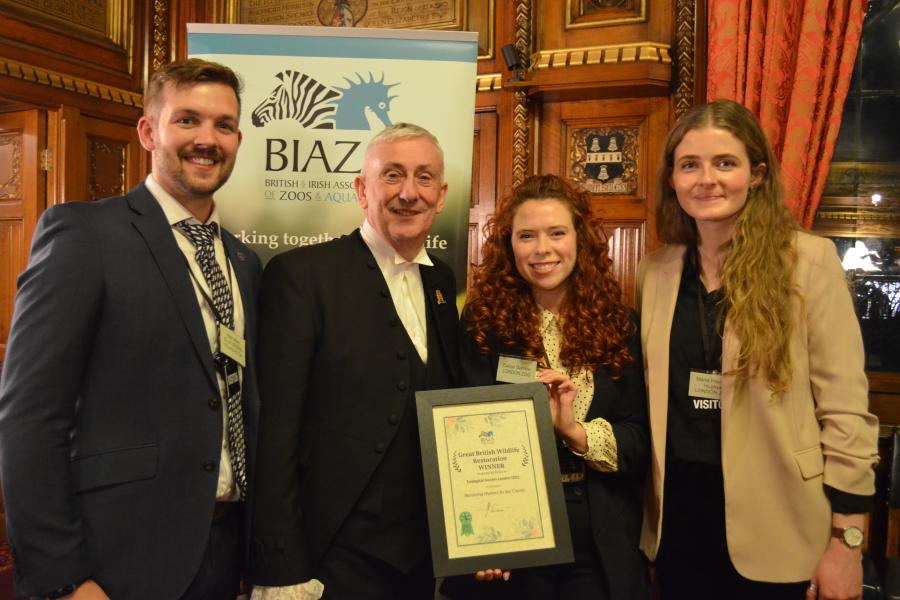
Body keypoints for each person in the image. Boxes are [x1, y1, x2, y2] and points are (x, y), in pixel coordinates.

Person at [0, 58, 261, 599]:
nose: (207, 139)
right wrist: (64, 578)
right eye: (187, 120)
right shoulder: (84, 236)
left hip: (224, 553)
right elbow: (28, 417)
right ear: (148, 131)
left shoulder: (242, 261)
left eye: (224, 125)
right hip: (114, 563)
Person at [637, 99, 879, 600]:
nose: (707, 179)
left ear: (757, 175)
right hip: (678, 529)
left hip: (782, 529)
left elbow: (846, 409)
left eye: (725, 163)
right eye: (690, 165)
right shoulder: (655, 271)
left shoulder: (808, 263)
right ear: (673, 180)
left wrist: (847, 543)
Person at [250, 123, 461, 600]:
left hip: (422, 559)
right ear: (362, 189)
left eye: (424, 178)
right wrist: (281, 567)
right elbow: (275, 433)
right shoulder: (301, 278)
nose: (409, 193)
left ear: (442, 194)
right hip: (333, 557)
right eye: (392, 175)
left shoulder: (443, 282)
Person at [445, 174, 649, 599]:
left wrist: (575, 432)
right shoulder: (482, 327)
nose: (543, 249)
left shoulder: (621, 326)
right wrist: (485, 534)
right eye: (526, 236)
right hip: (513, 534)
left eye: (557, 233)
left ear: (581, 240)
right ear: (508, 246)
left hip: (599, 535)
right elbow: (463, 441)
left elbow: (639, 442)